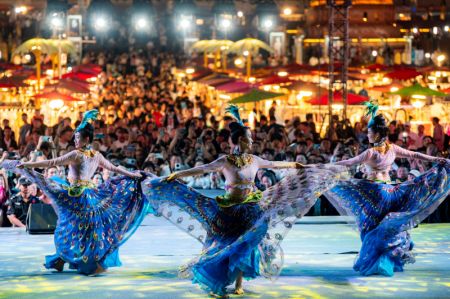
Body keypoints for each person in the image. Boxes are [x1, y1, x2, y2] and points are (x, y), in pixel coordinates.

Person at [143, 105, 342, 298]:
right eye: (249, 139)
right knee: (226, 246)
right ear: (240, 141)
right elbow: (203, 169)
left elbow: (273, 164)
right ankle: (216, 280)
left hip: (250, 208)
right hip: (228, 210)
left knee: (246, 245)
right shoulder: (225, 161)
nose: (252, 141)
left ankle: (239, 283)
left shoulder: (254, 159)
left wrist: (293, 164)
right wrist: (177, 173)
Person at [1, 110, 149, 276]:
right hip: (90, 195)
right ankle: (68, 260)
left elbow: (52, 162)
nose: (75, 139)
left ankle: (70, 260)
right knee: (83, 230)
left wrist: (28, 165)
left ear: (87, 139)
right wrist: (133, 174)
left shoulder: (77, 154)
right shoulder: (96, 155)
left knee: (71, 229)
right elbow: (114, 168)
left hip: (75, 196)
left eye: (78, 137)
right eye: (75, 137)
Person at [324, 101, 450, 277]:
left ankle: (377, 262)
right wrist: (436, 160)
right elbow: (415, 154)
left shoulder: (371, 152)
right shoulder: (393, 148)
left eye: (369, 132)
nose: (367, 135)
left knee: (370, 228)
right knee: (389, 228)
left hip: (375, 192)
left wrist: (325, 166)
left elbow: (349, 162)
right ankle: (385, 261)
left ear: (376, 134)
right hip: (391, 191)